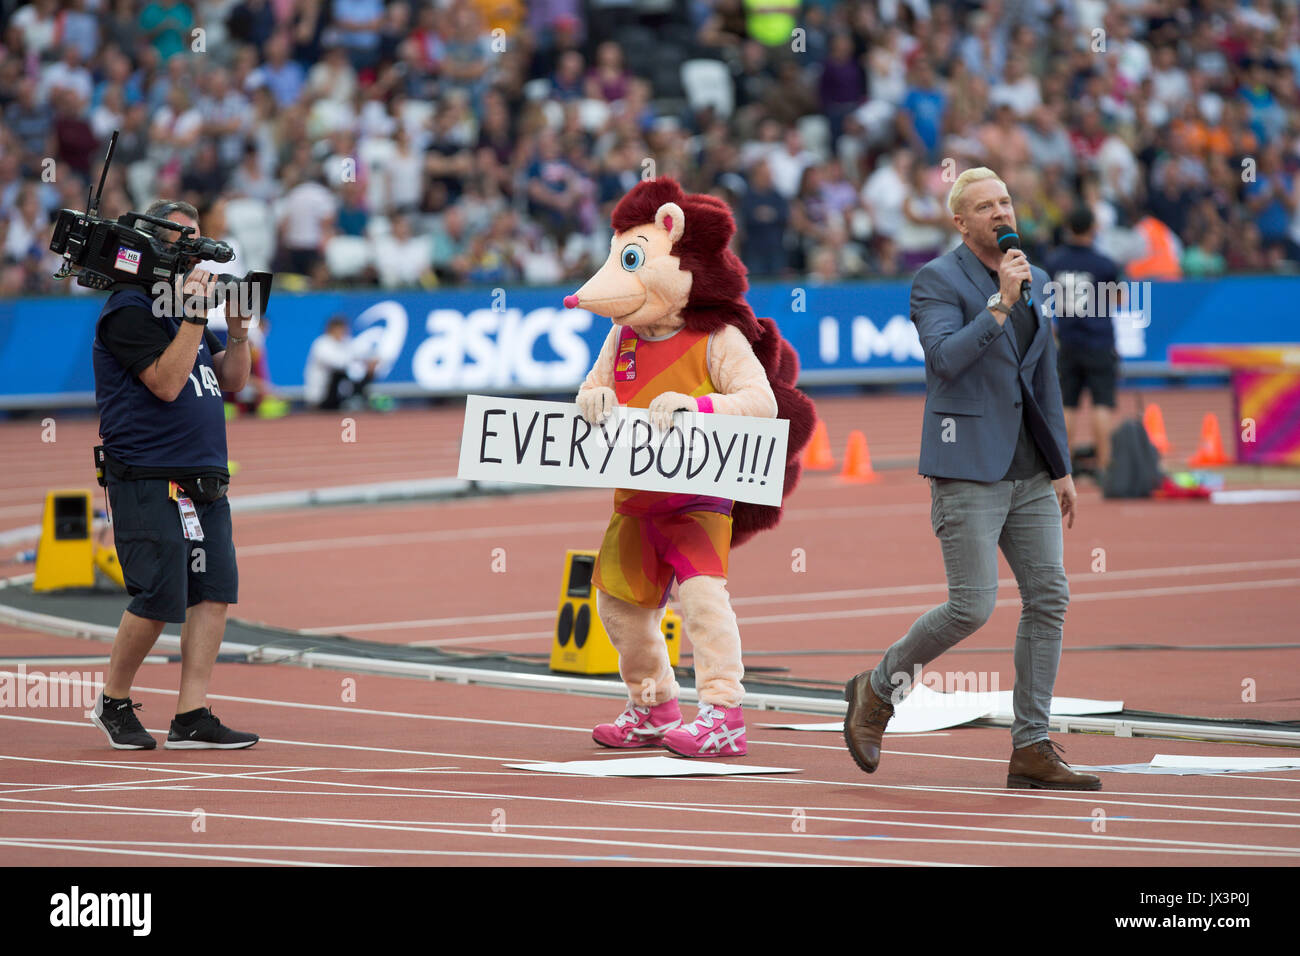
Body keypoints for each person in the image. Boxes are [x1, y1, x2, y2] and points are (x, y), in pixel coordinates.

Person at [842, 168, 1100, 791]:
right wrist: (1000, 304)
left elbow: (1044, 379)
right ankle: (877, 692)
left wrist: (1061, 465)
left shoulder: (1029, 275)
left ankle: (1032, 745)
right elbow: (944, 361)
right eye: (984, 206)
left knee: (1050, 597)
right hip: (967, 466)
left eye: (1005, 200)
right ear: (960, 223)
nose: (998, 211)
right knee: (971, 606)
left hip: (1031, 470)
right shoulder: (937, 279)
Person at [90, 199, 259, 751]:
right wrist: (192, 315)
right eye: (182, 238)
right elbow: (164, 382)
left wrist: (235, 332)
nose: (195, 250)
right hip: (147, 475)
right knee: (160, 594)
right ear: (151, 243)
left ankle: (191, 714)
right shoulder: (130, 307)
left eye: (198, 238)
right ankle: (113, 699)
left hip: (204, 477)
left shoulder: (178, 308)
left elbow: (231, 380)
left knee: (213, 593)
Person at [1044, 206, 1123, 475]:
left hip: (1067, 342)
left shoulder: (1055, 262)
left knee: (1068, 404)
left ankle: (1063, 467)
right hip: (1099, 341)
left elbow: (1047, 297)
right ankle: (1105, 466)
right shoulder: (1104, 264)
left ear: (1068, 228)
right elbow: (1119, 298)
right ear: (1093, 228)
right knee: (1102, 404)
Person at [303, 315, 378, 410]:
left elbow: (361, 353)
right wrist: (359, 360)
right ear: (331, 330)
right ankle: (347, 401)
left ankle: (356, 400)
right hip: (322, 394)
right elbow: (337, 363)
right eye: (340, 330)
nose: (343, 332)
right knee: (340, 373)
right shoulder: (321, 344)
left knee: (365, 372)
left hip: (338, 392)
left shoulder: (345, 341)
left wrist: (369, 362)